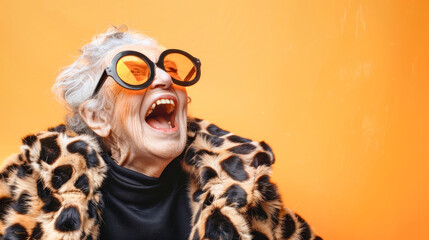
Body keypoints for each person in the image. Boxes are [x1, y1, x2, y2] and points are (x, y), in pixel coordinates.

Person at [0, 26, 322, 240]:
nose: (165, 79)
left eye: (170, 69)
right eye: (134, 71)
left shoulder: (236, 186)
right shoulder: (35, 183)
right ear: (98, 117)